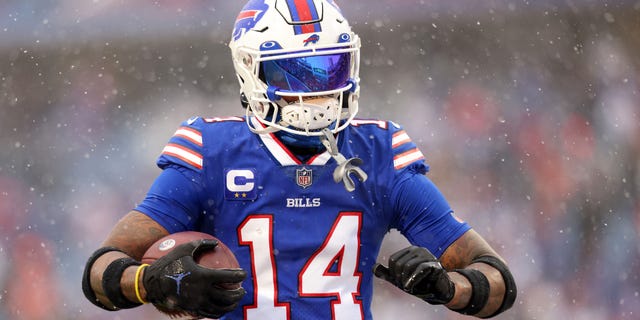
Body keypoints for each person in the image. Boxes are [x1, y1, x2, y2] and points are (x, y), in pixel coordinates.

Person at [82, 0, 517, 319]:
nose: (317, 89)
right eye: (294, 72)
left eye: (329, 66)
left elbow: (497, 282)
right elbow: (100, 272)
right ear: (252, 73)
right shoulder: (210, 152)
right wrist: (150, 280)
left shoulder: (377, 155)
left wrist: (448, 287)